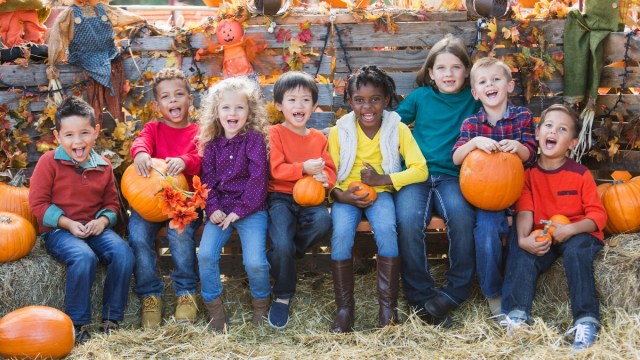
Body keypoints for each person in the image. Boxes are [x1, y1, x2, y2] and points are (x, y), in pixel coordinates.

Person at [328, 65, 428, 332]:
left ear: (386, 100)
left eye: (375, 99)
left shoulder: (399, 129)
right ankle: (345, 310)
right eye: (359, 100)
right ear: (350, 101)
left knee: (386, 229)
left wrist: (383, 180)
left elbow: (421, 170)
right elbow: (329, 173)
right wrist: (340, 195)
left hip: (381, 194)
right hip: (345, 195)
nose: (367, 107)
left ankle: (388, 310)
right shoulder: (339, 132)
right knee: (340, 235)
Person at [28, 97, 134, 344]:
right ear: (58, 136)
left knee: (123, 253)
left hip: (94, 227)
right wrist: (67, 223)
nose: (78, 141)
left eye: (84, 133)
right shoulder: (49, 162)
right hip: (59, 230)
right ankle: (78, 324)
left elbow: (111, 204)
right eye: (69, 135)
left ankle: (111, 318)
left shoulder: (103, 166)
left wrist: (103, 222)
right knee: (83, 257)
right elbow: (38, 205)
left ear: (95, 132)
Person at [501, 104, 607, 350]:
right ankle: (518, 318)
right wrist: (523, 239)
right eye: (548, 126)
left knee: (576, 252)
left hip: (579, 233)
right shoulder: (527, 175)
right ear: (537, 133)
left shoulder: (580, 174)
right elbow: (524, 210)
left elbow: (598, 216)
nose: (553, 132)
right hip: (546, 234)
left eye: (562, 129)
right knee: (526, 256)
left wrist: (570, 230)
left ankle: (586, 320)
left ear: (572, 142)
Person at [393, 34, 480, 326]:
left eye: (456, 67)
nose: (449, 74)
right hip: (415, 174)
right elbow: (392, 125)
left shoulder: (473, 98)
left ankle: (455, 292)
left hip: (452, 176)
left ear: (467, 71)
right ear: (430, 73)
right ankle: (421, 298)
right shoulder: (420, 97)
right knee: (406, 220)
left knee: (462, 217)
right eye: (441, 68)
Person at [451, 57, 537, 316]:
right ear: (476, 93)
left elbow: (532, 153)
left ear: (510, 86)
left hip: (519, 193)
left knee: (518, 240)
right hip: (486, 198)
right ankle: (493, 293)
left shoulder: (523, 116)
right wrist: (474, 142)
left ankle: (517, 293)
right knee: (486, 231)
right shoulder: (472, 125)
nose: (490, 85)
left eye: (496, 79)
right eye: (483, 81)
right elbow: (456, 157)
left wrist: (520, 148)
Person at [127, 68, 202, 328]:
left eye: (179, 95)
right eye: (166, 97)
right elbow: (140, 143)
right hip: (150, 200)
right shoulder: (153, 129)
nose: (173, 101)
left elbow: (202, 157)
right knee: (137, 234)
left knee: (180, 237)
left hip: (183, 202)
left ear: (190, 100)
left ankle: (186, 292)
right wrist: (140, 154)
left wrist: (184, 161)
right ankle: (150, 295)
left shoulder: (198, 132)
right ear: (158, 105)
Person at [197, 76, 271, 332]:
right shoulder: (212, 145)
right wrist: (213, 208)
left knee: (255, 262)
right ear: (216, 112)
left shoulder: (254, 141)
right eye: (226, 108)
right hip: (220, 209)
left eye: (239, 107)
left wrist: (239, 211)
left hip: (251, 209)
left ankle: (261, 307)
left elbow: (258, 181)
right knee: (205, 254)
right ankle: (215, 311)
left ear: (249, 112)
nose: (232, 113)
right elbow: (207, 181)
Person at [266, 71, 337, 329]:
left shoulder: (318, 138)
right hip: (281, 197)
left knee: (322, 223)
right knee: (280, 240)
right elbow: (275, 169)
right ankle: (283, 296)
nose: (299, 106)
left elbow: (329, 169)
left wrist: (325, 178)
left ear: (314, 106)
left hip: (311, 198)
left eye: (306, 100)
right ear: (278, 105)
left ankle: (287, 253)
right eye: (292, 100)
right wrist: (304, 168)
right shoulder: (275, 133)